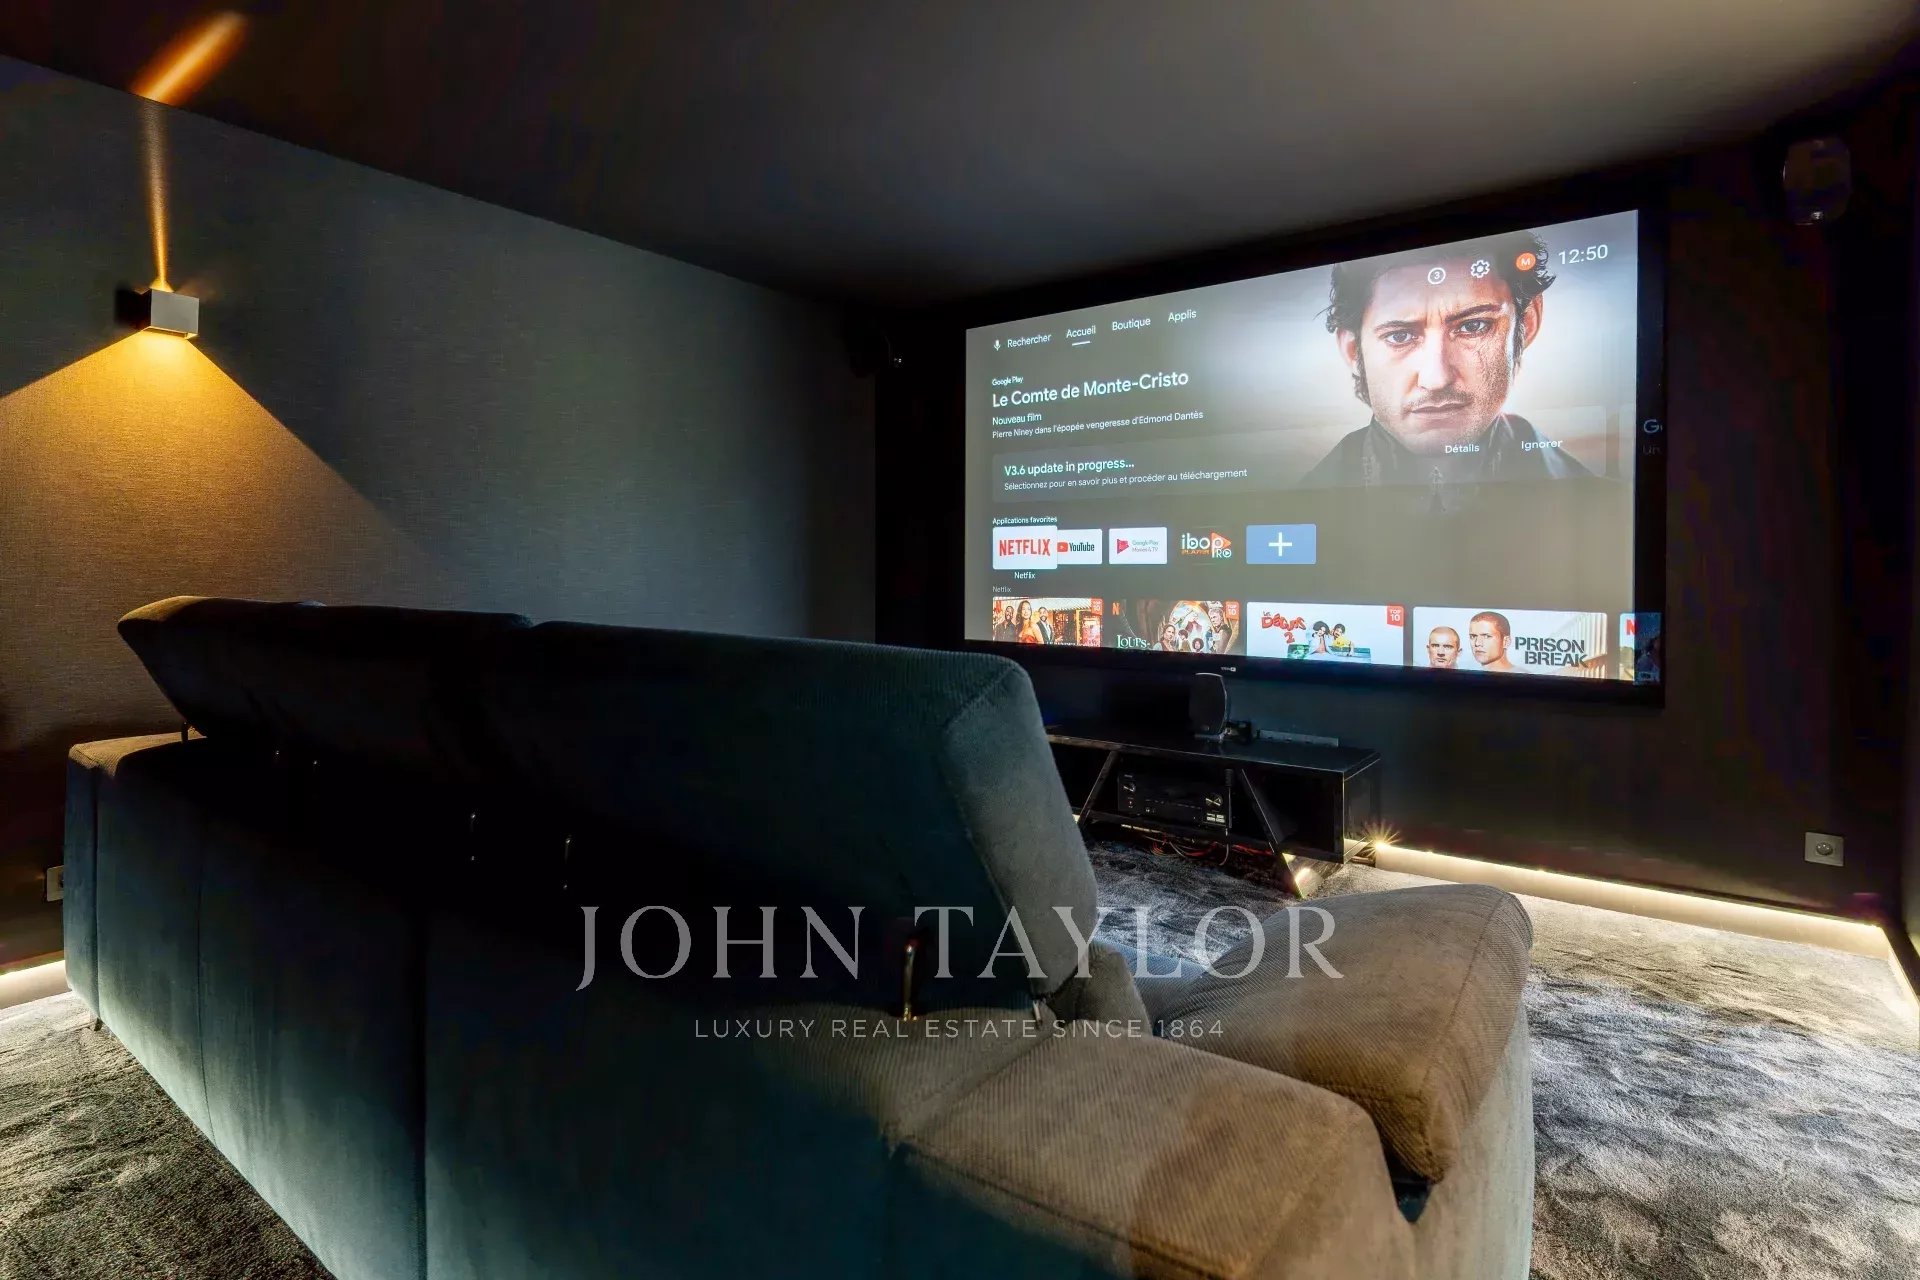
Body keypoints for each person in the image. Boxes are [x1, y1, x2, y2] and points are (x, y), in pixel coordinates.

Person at [1301, 231, 1589, 488]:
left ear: (1528, 323)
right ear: (1353, 350)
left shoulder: (1599, 496)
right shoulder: (1303, 499)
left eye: (1473, 326)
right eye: (1400, 336)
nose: (1436, 379)